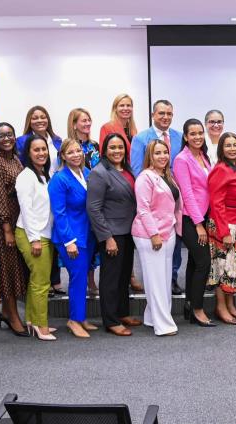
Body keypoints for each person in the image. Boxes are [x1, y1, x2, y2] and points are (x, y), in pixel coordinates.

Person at [87, 133, 141, 337]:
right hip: (112, 234)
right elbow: (93, 209)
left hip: (128, 231)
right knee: (111, 278)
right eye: (112, 148)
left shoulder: (126, 170)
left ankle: (122, 312)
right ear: (104, 150)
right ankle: (110, 320)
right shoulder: (99, 173)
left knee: (124, 275)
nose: (117, 151)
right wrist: (107, 238)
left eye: (120, 147)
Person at [130, 99, 184, 294]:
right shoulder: (141, 138)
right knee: (156, 253)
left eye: (169, 114)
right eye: (161, 113)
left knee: (174, 244)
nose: (165, 117)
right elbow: (137, 169)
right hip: (154, 200)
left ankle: (173, 278)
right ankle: (158, 286)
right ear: (153, 115)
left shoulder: (179, 137)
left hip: (174, 199)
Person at [0, 122, 30, 337]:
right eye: (1, 135)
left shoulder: (15, 159)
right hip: (3, 224)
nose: (7, 138)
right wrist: (7, 229)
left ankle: (6, 311)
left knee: (16, 268)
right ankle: (12, 316)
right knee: (8, 269)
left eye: (10, 134)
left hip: (18, 220)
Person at [132, 140, 183, 336]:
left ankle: (152, 318)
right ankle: (163, 326)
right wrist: (154, 235)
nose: (162, 156)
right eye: (157, 153)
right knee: (155, 280)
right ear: (149, 157)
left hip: (168, 232)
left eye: (165, 152)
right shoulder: (145, 177)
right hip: (149, 235)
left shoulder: (167, 175)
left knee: (163, 279)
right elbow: (143, 209)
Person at [48, 139, 98, 338]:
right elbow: (59, 213)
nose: (76, 155)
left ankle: (81, 317)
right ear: (63, 156)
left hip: (87, 233)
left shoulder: (86, 173)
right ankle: (73, 320)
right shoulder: (59, 179)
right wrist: (69, 241)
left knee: (83, 276)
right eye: (71, 152)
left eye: (78, 151)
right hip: (70, 237)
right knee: (77, 278)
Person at [207, 132, 236, 324]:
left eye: (235, 145)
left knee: (233, 270)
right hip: (224, 226)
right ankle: (220, 307)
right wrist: (224, 232)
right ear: (221, 149)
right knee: (221, 269)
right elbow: (216, 204)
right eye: (228, 145)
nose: (232, 149)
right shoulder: (221, 170)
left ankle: (231, 304)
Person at [174, 119, 215, 327]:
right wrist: (199, 224)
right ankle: (198, 309)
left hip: (204, 215)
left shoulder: (203, 156)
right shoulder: (182, 159)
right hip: (191, 218)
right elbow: (187, 193)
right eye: (193, 133)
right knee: (203, 263)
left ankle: (190, 305)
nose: (198, 136)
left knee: (193, 263)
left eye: (200, 133)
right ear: (185, 136)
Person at [15, 135, 56, 341]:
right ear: (28, 153)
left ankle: (32, 319)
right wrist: (34, 239)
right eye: (36, 150)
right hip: (32, 234)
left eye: (43, 149)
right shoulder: (26, 176)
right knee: (41, 282)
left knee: (37, 280)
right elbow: (26, 209)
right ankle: (42, 325)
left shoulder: (43, 174)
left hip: (44, 232)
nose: (41, 153)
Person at [67, 107, 101, 297]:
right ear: (74, 124)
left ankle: (91, 278)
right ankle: (82, 280)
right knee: (82, 241)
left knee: (94, 241)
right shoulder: (69, 147)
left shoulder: (95, 145)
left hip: (96, 195)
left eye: (89, 120)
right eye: (83, 121)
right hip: (78, 201)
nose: (87, 124)